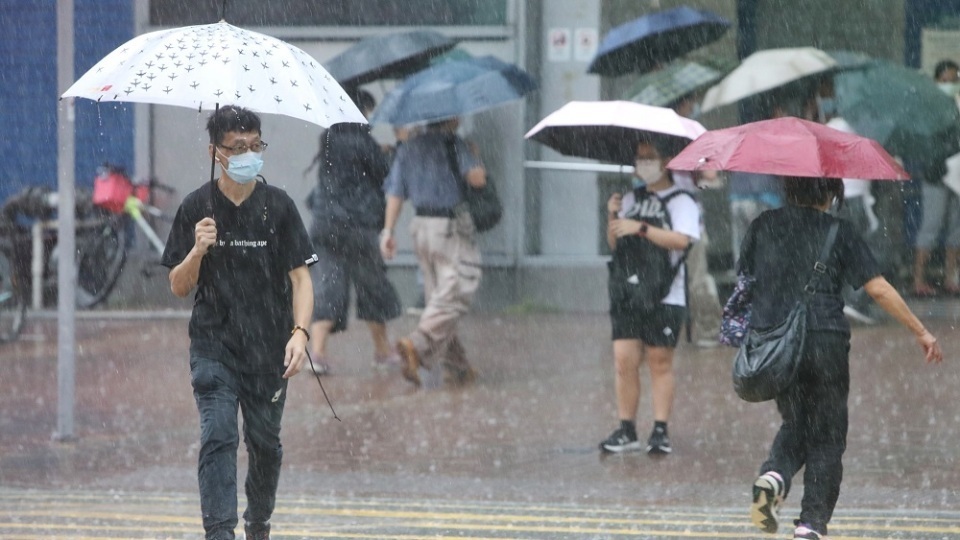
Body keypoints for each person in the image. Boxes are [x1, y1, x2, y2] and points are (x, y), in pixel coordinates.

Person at [738, 177, 942, 540]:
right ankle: (811, 523)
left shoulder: (762, 225)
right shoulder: (839, 230)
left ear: (788, 188)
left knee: (798, 422)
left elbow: (746, 282)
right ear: (832, 192)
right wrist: (920, 330)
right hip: (824, 339)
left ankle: (775, 475)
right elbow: (877, 288)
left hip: (778, 344)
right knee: (828, 435)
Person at [161, 105, 315, 540]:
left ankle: (258, 522)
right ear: (216, 151)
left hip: (269, 348)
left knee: (265, 444)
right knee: (219, 434)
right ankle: (219, 532)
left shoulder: (279, 207)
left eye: (255, 145)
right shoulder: (197, 206)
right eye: (238, 147)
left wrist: (300, 333)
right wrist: (196, 251)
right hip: (214, 346)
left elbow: (301, 279)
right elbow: (177, 285)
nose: (249, 154)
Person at [599, 139, 700, 455]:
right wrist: (613, 216)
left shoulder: (682, 201)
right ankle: (626, 428)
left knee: (660, 361)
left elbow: (681, 241)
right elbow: (616, 245)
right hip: (629, 292)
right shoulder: (629, 198)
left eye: (649, 158)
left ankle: (660, 428)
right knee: (624, 360)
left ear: (666, 160)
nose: (643, 164)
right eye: (638, 158)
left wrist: (641, 227)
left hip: (665, 294)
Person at [380, 116, 485, 388]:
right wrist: (474, 157)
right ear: (451, 118)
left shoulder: (408, 147)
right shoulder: (454, 143)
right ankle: (416, 344)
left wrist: (389, 231)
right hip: (449, 226)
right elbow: (477, 179)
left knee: (438, 295)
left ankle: (457, 365)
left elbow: (396, 192)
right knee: (458, 291)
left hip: (420, 227)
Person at [303, 89, 402, 374]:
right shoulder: (362, 140)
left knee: (329, 287)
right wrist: (393, 150)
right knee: (372, 287)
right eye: (367, 110)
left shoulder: (330, 138)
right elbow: (385, 175)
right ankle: (382, 351)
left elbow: (346, 171)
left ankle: (318, 353)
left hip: (325, 226)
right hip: (358, 227)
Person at [911, 60, 960, 297]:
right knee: (931, 225)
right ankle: (918, 279)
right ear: (936, 81)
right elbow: (923, 140)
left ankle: (951, 277)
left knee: (956, 228)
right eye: (945, 80)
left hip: (957, 175)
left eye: (954, 80)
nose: (949, 84)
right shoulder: (927, 107)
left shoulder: (957, 106)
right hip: (936, 174)